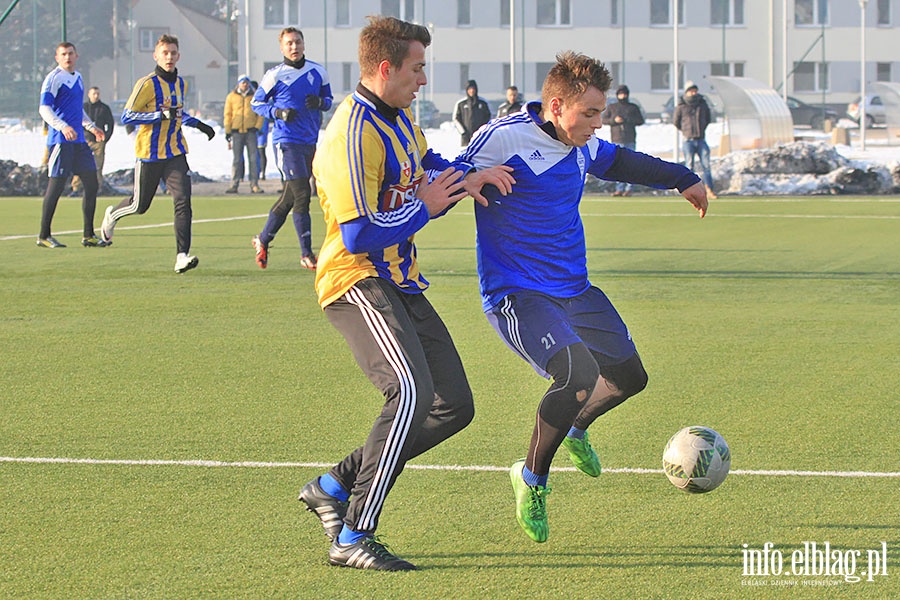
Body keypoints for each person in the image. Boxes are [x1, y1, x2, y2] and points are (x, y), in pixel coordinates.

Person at [457, 51, 708, 544]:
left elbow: (624, 161)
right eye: (590, 114)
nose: (600, 123)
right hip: (518, 293)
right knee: (575, 372)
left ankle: (575, 428)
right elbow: (446, 175)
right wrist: (467, 179)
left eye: (601, 114)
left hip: (575, 289)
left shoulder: (583, 145)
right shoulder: (504, 137)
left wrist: (682, 177)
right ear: (556, 105)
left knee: (630, 377)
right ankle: (531, 478)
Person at [298, 15, 514, 572]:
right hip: (355, 279)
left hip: (400, 280)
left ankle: (332, 486)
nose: (423, 79)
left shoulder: (399, 119)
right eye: (417, 68)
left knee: (453, 405)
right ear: (385, 68)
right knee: (412, 391)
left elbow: (429, 166)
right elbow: (357, 232)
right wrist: (428, 206)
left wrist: (472, 176)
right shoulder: (351, 131)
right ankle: (352, 535)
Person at [99, 34, 216, 273]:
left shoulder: (181, 83)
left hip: (175, 152)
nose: (169, 57)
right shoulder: (147, 84)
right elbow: (127, 116)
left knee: (183, 200)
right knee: (139, 206)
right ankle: (112, 214)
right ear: (156, 56)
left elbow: (178, 114)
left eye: (173, 53)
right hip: (149, 154)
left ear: (178, 56)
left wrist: (200, 125)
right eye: (165, 53)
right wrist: (157, 116)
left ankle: (181, 256)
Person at [250, 27, 332, 270]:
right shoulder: (275, 75)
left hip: (310, 142)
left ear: (304, 44)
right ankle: (306, 254)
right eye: (289, 44)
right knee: (302, 195)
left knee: (289, 199)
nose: (294, 47)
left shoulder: (318, 72)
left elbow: (328, 101)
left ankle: (262, 239)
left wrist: (319, 102)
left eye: (297, 42)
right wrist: (277, 112)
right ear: (282, 48)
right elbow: (257, 103)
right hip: (286, 142)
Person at [37, 42, 107, 248]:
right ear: (57, 57)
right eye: (63, 54)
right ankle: (44, 235)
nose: (67, 57)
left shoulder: (78, 78)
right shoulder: (53, 79)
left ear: (77, 56)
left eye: (70, 54)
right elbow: (44, 109)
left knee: (92, 184)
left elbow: (78, 110)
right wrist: (62, 127)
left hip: (78, 142)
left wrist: (92, 127)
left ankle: (88, 235)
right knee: (57, 186)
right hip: (60, 141)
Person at [672, 80, 717, 199]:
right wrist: (686, 130)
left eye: (695, 90)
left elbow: (707, 119)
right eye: (691, 91)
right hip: (688, 140)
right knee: (689, 166)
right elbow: (676, 122)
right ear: (687, 92)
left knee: (706, 165)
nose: (693, 93)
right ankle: (689, 190)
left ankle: (709, 189)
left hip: (701, 139)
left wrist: (701, 129)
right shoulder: (681, 106)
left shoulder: (702, 104)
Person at [601, 84, 644, 196]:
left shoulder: (632, 107)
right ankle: (619, 188)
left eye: (624, 93)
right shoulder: (612, 107)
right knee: (618, 166)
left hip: (630, 139)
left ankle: (629, 188)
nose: (623, 96)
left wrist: (627, 120)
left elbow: (640, 120)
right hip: (616, 139)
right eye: (621, 93)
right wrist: (614, 120)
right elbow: (604, 120)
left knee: (630, 165)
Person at [71, 86, 115, 196]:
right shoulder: (83, 107)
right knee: (80, 163)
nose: (96, 96)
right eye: (94, 94)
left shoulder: (104, 108)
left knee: (98, 166)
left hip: (99, 142)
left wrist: (106, 138)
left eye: (97, 94)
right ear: (89, 95)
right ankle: (76, 188)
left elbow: (110, 124)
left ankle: (97, 188)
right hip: (85, 140)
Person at [224, 74, 263, 194]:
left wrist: (257, 127)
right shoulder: (231, 97)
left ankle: (254, 184)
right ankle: (234, 184)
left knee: (253, 159)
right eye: (242, 82)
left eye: (246, 82)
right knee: (237, 159)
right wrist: (228, 130)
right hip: (237, 132)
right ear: (238, 84)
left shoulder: (255, 96)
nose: (245, 85)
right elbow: (228, 114)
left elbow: (260, 113)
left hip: (250, 131)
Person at [452, 79, 491, 145]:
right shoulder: (461, 104)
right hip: (466, 139)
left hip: (481, 137)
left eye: (473, 89)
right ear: (466, 90)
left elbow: (489, 117)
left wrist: (483, 131)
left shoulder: (483, 103)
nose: (472, 91)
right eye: (469, 89)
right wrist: (463, 132)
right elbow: (456, 119)